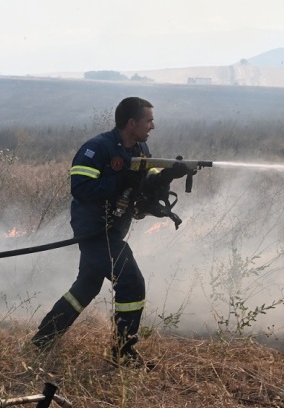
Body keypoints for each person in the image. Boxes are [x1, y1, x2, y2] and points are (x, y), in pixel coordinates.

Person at [30, 97, 186, 366]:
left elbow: (144, 180)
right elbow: (80, 188)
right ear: (132, 122)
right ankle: (123, 354)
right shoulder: (96, 149)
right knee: (131, 283)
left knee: (85, 287)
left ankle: (42, 340)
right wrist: (118, 180)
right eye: (149, 120)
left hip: (113, 231)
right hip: (93, 231)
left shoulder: (140, 148)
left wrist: (166, 176)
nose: (153, 125)